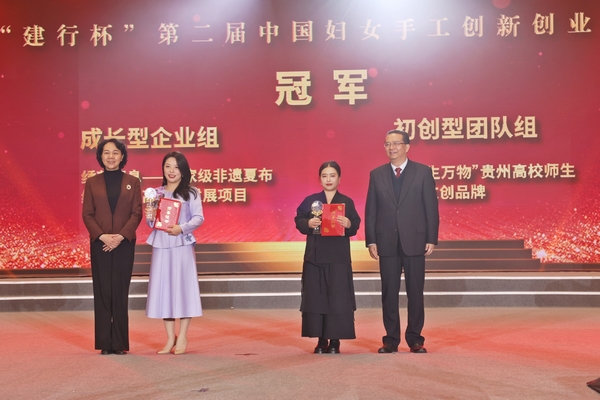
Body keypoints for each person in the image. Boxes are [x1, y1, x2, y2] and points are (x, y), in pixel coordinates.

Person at [365, 130, 439, 354]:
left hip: (415, 240)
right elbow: (371, 210)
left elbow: (431, 207)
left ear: (407, 147)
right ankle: (390, 339)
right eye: (388, 144)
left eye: (396, 143)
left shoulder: (423, 172)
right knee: (389, 293)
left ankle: (415, 339)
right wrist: (371, 240)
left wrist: (431, 237)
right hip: (386, 241)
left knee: (415, 292)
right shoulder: (376, 174)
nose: (392, 148)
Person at [82, 139, 143, 355]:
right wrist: (102, 236)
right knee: (102, 291)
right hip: (100, 244)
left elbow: (137, 213)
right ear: (100, 156)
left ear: (122, 156)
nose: (110, 156)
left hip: (124, 244)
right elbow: (87, 214)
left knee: (120, 291)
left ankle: (119, 343)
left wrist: (120, 237)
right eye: (106, 152)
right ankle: (104, 343)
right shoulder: (92, 182)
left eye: (115, 152)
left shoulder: (133, 181)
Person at [294, 161, 361, 354]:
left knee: (337, 297)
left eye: (332, 175)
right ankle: (321, 339)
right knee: (317, 297)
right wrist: (308, 223)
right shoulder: (311, 200)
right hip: (315, 256)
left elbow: (355, 225)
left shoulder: (346, 202)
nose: (328, 179)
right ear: (320, 179)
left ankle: (335, 340)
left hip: (338, 257)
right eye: (324, 176)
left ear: (339, 178)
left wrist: (348, 223)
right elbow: (299, 220)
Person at [145, 151, 204, 355]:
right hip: (161, 245)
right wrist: (150, 215)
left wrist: (181, 228)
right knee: (165, 290)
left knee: (183, 289)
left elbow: (198, 218)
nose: (171, 171)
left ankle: (183, 336)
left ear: (183, 171)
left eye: (176, 167)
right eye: (168, 166)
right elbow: (151, 223)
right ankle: (170, 338)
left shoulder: (192, 193)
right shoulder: (155, 193)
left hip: (182, 245)